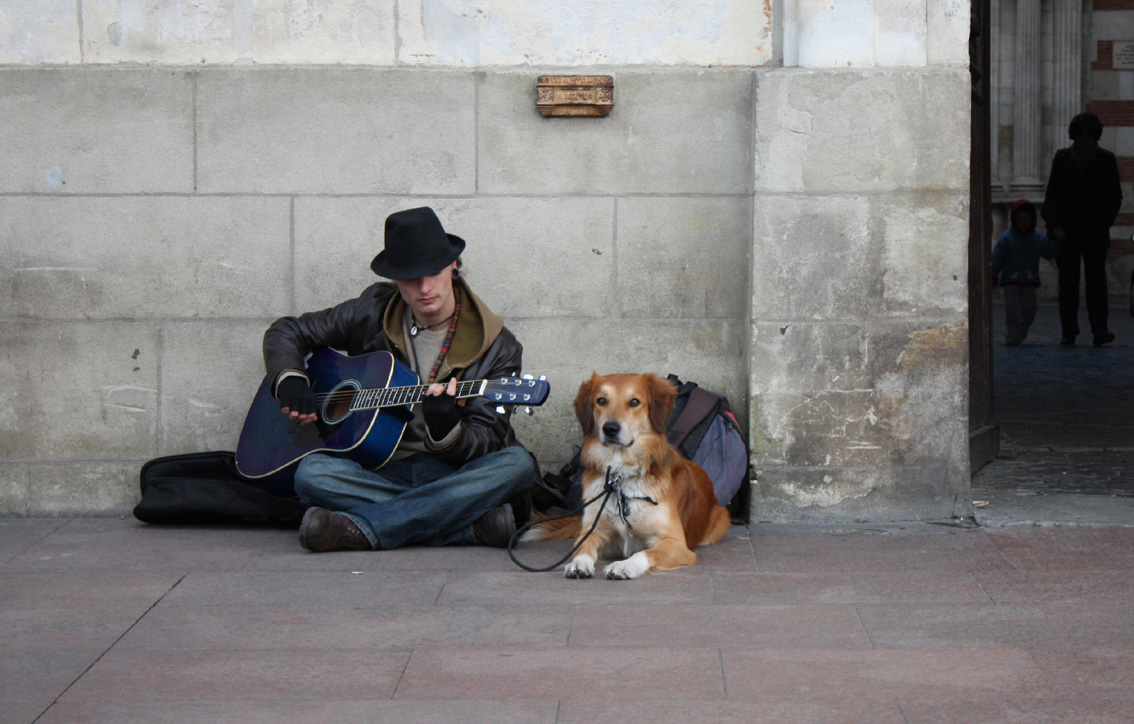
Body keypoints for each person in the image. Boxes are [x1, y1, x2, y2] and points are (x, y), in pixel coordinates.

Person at [262, 206, 537, 552]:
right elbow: (287, 330)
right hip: (377, 469)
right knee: (312, 474)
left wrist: (447, 432)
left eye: (433, 272)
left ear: (454, 265)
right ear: (394, 279)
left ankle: (361, 530)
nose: (424, 287)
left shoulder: (498, 346)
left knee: (516, 466)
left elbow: (488, 439)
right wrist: (290, 379)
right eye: (410, 277)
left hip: (451, 473)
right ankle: (466, 528)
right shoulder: (371, 311)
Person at [1041, 112, 1123, 346]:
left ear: (1095, 136)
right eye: (1080, 136)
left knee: (1097, 283)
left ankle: (1099, 329)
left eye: (1088, 136)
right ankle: (1069, 331)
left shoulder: (1106, 160)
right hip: (1066, 232)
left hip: (1094, 232)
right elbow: (1052, 196)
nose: (1084, 140)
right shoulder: (1062, 158)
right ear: (1074, 136)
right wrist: (1054, 225)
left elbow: (1115, 197)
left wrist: (1103, 223)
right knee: (1068, 285)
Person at [991, 199, 1060, 345]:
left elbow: (1049, 252)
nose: (1023, 222)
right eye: (1019, 218)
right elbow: (997, 258)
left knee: (1030, 310)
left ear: (1032, 220)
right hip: (1011, 281)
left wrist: (1057, 241)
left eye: (1026, 219)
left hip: (1029, 280)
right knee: (1013, 311)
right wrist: (993, 275)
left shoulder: (1038, 237)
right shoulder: (1006, 237)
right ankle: (1013, 334)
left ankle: (1021, 331)